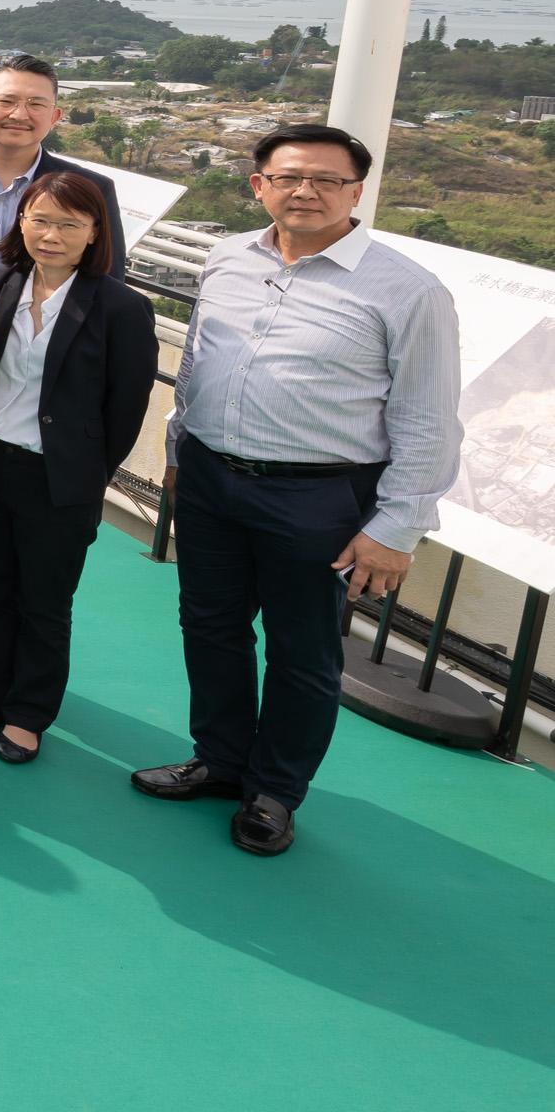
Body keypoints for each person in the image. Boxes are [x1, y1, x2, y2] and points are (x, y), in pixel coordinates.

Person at [134, 124, 461, 857]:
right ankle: (220, 760)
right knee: (209, 626)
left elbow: (428, 418)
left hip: (319, 496)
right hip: (214, 478)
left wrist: (396, 527)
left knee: (303, 651)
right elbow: (197, 365)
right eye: (287, 178)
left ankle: (275, 791)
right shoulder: (227, 259)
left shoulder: (407, 291)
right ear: (259, 186)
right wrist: (181, 448)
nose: (305, 191)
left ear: (357, 192)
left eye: (326, 180)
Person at [0, 170, 157, 760]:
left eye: (68, 224)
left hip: (59, 478)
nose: (50, 234)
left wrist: (87, 477)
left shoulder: (122, 308)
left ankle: (29, 712)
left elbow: (125, 410)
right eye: (39, 219)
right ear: (20, 223)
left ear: (93, 232)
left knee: (45, 600)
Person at [0, 56, 127, 282]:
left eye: (36, 104)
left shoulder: (93, 187)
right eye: (6, 101)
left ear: (54, 117)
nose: (19, 114)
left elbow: (107, 276)